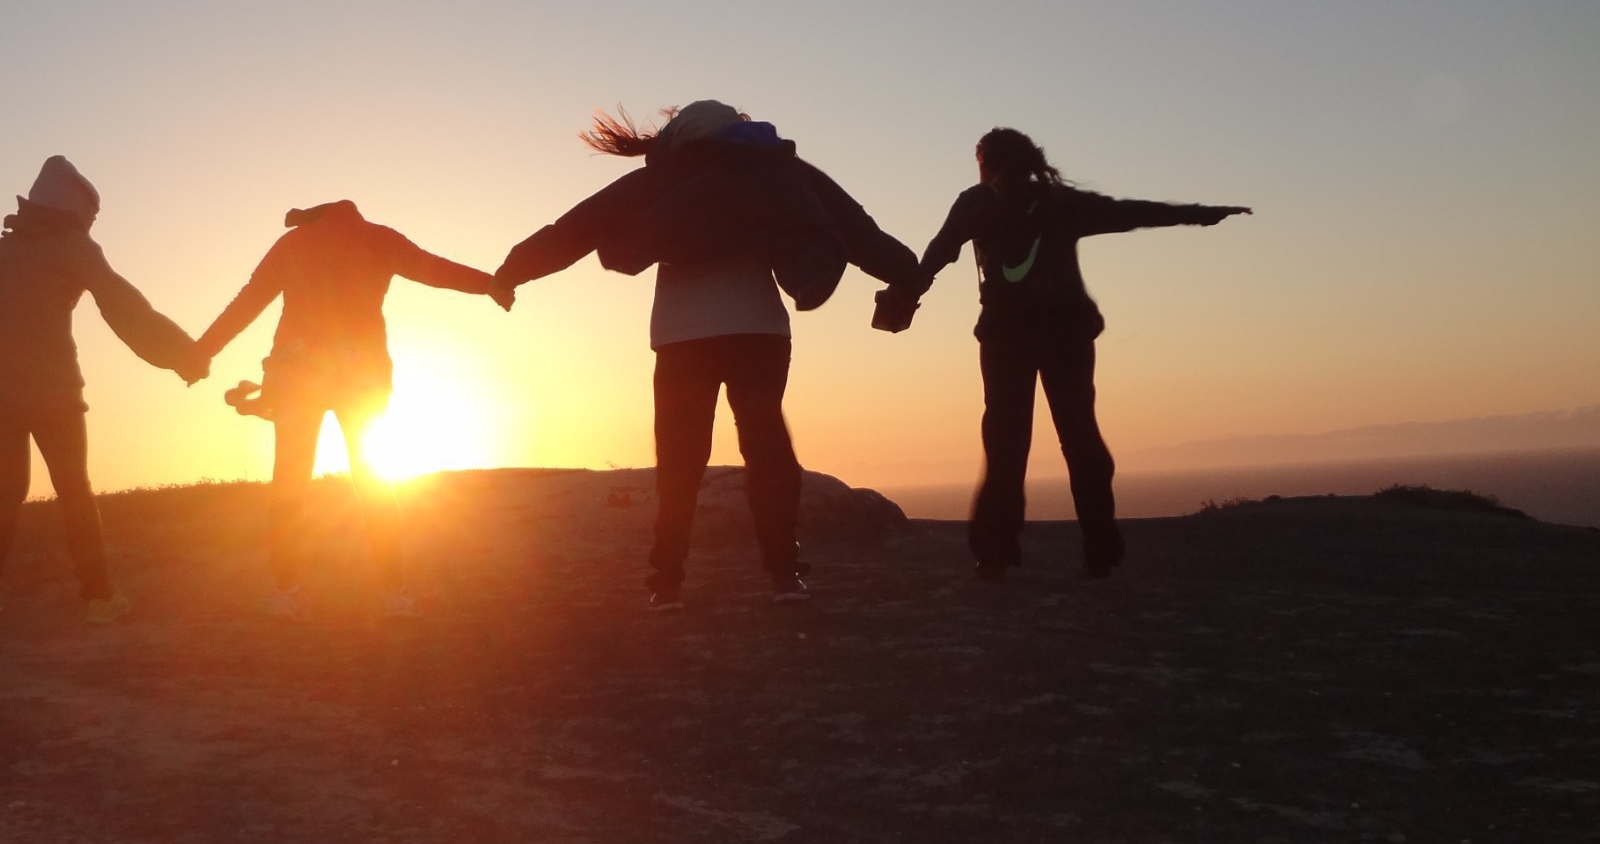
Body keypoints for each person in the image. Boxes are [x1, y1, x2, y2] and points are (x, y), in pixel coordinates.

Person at [496, 101, 921, 610]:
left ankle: (667, 581)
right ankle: (785, 574)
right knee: (767, 452)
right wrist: (908, 275)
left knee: (679, 462)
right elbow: (858, 231)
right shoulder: (776, 172)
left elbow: (577, 228)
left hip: (681, 338)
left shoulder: (665, 180)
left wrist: (512, 271)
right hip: (760, 332)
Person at [905, 127, 1250, 580]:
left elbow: (938, 253)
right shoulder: (1057, 202)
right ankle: (1099, 549)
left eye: (985, 161)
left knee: (1007, 444)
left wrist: (905, 295)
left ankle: (997, 553)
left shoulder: (979, 202)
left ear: (988, 162)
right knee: (1079, 438)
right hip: (1064, 336)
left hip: (1009, 339)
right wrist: (1200, 215)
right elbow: (1130, 213)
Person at [0, 155, 207, 622]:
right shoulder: (76, 249)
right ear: (77, 213)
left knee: (8, 485)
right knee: (74, 487)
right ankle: (99, 597)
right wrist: (182, 354)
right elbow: (125, 307)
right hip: (52, 392)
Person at [195, 200, 510, 619]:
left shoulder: (294, 242)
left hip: (296, 372)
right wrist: (490, 284)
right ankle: (393, 594)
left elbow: (249, 301)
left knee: (289, 481)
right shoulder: (379, 237)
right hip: (361, 375)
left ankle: (285, 593)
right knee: (373, 480)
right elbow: (434, 269)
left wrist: (202, 351)